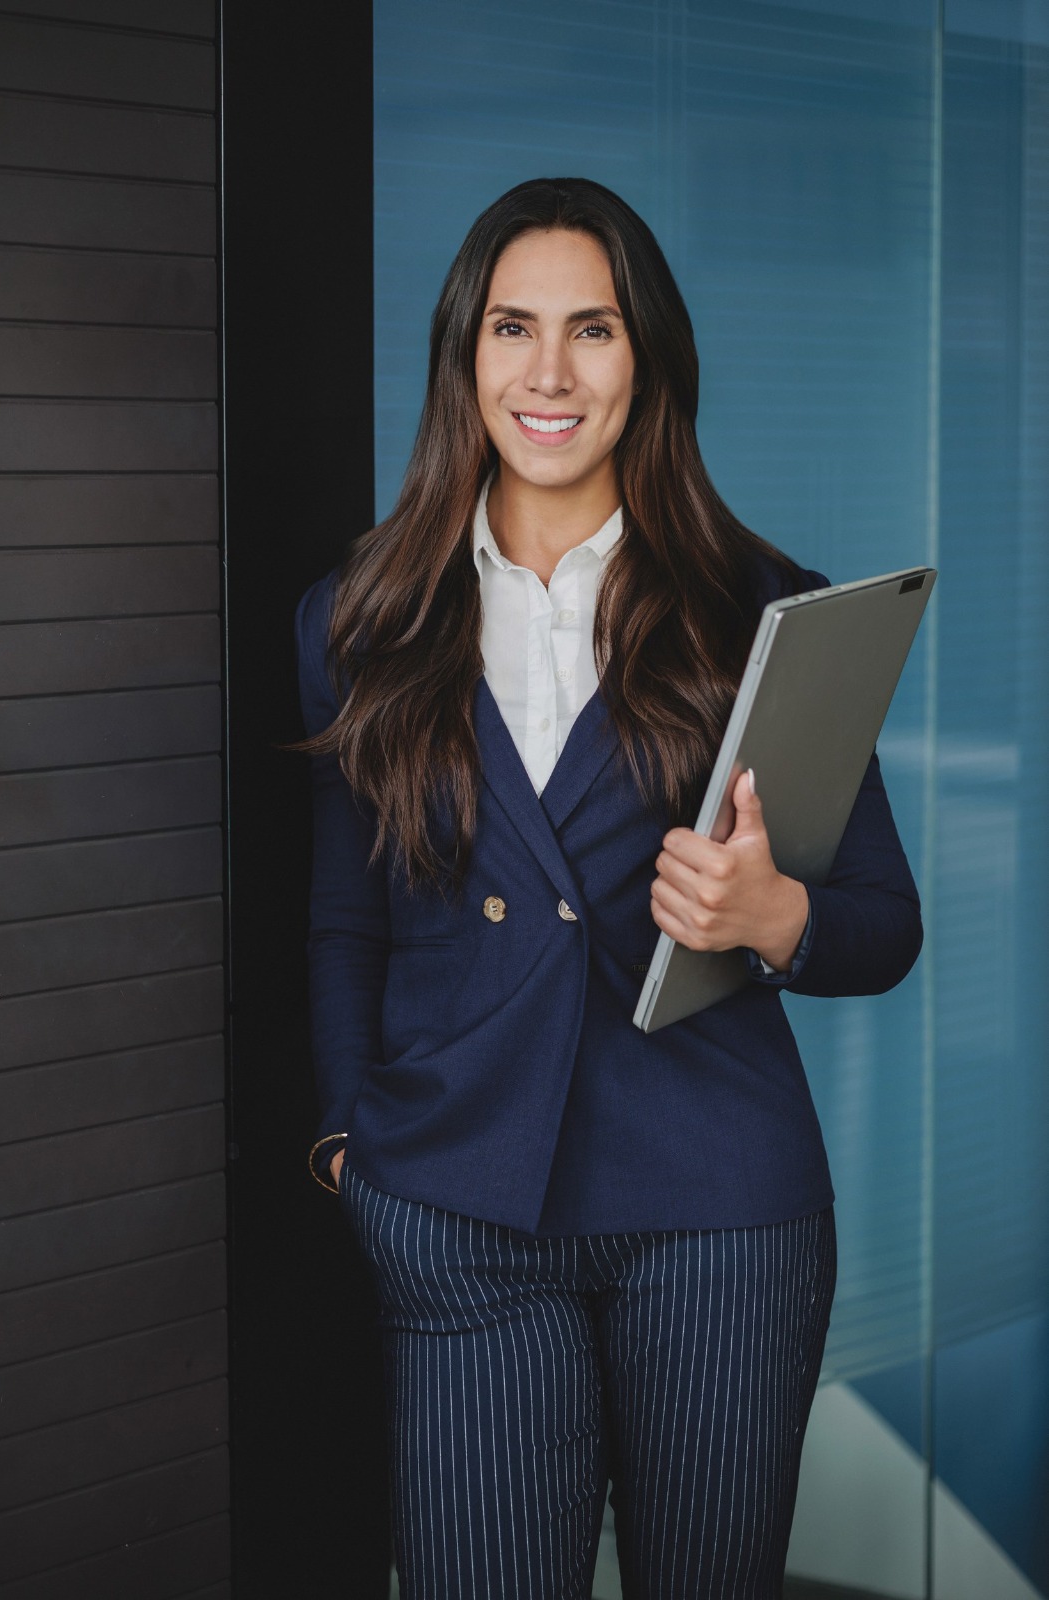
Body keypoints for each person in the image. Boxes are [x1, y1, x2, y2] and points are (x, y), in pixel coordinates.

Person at [295, 177, 922, 1600]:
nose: (550, 373)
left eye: (595, 330)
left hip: (716, 1213)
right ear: (465, 354)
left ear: (648, 364)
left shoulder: (763, 607)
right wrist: (346, 1139)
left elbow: (882, 921)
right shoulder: (358, 617)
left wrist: (774, 922)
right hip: (454, 1211)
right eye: (514, 327)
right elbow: (346, 914)